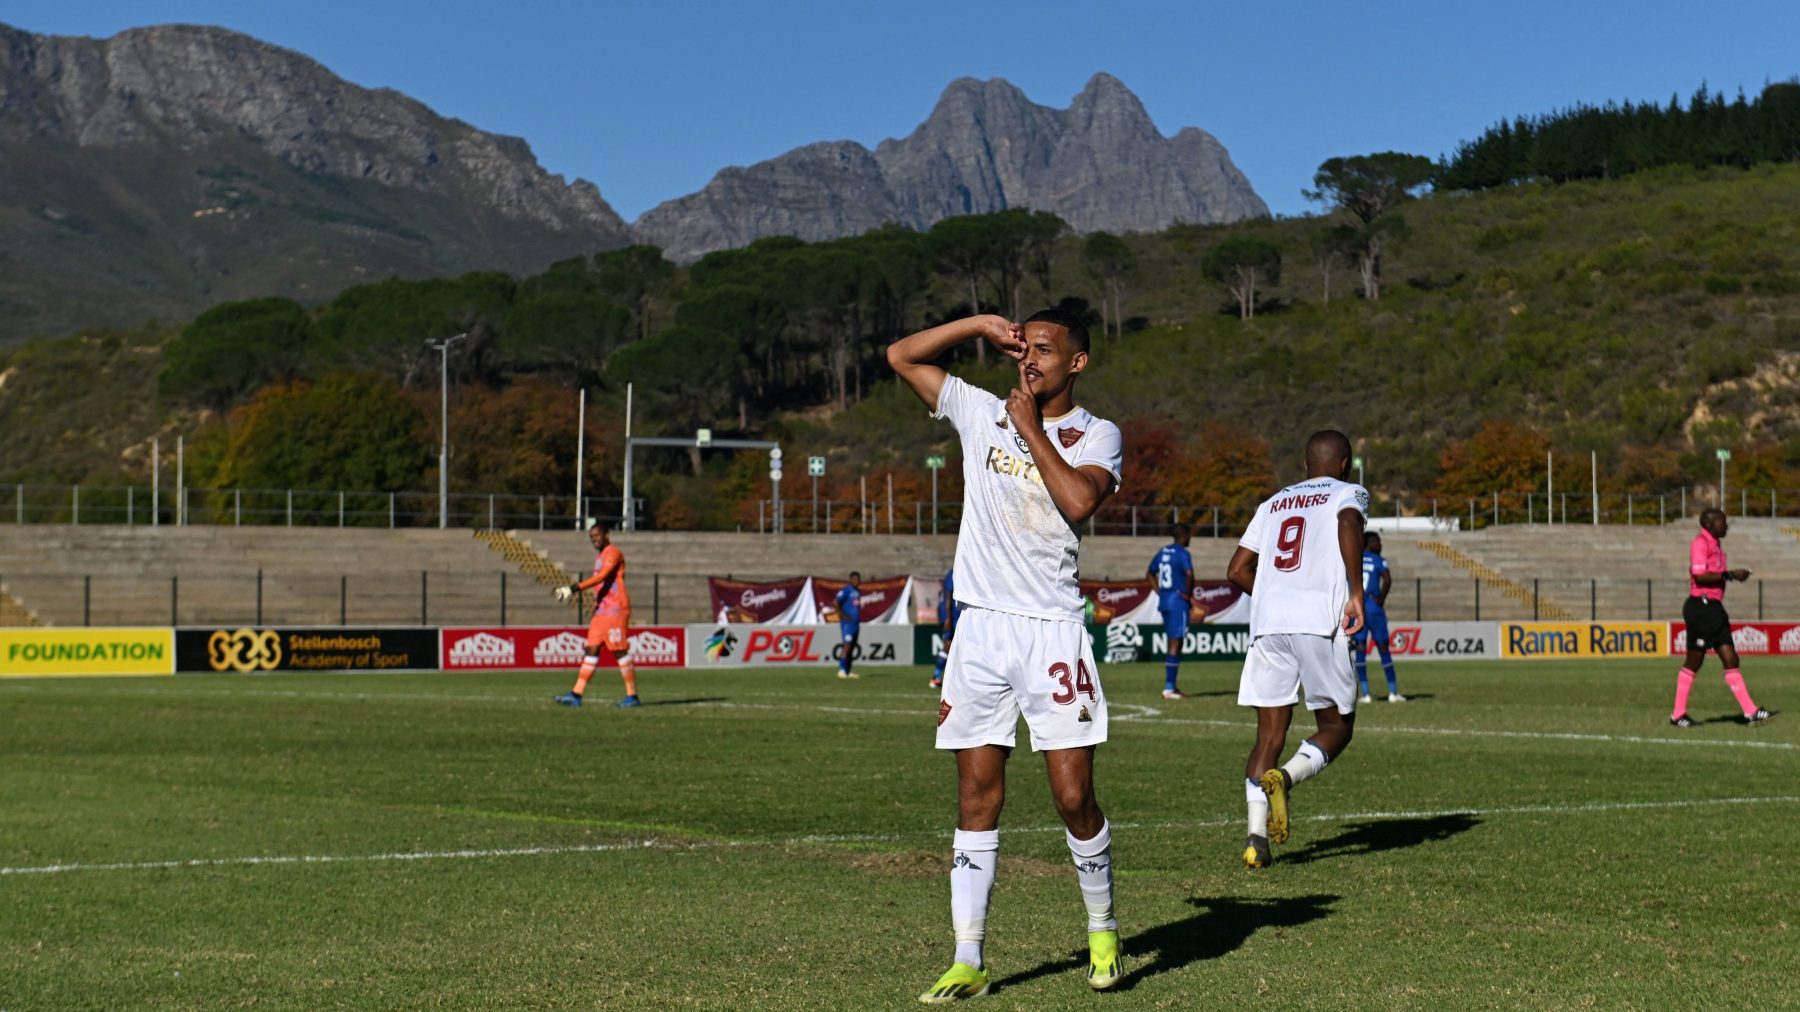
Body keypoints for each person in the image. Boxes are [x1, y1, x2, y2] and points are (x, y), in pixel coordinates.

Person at [889, 309, 1126, 1000]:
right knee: (975, 796)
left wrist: (1029, 429)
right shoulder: (978, 409)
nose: (1031, 361)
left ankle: (1103, 928)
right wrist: (975, 327)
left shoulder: (1097, 433)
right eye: (1025, 348)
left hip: (1051, 629)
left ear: (1076, 364)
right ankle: (969, 956)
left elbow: (1081, 501)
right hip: (982, 630)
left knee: (1073, 796)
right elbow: (901, 355)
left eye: (1046, 350)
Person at [1226, 430, 1369, 870]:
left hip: (1270, 625)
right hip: (1317, 620)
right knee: (1337, 726)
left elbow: (1236, 570)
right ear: (1344, 463)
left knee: (1268, 735)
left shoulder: (1272, 504)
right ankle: (1285, 778)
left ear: (1306, 464)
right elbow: (1348, 523)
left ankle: (1255, 838)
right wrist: (1356, 591)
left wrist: (1271, 593)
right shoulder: (1349, 492)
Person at [1670, 509, 1775, 727]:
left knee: (1731, 658)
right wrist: (1730, 574)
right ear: (1709, 524)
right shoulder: (1700, 543)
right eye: (1722, 522)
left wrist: (1732, 576)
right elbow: (1698, 574)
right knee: (1694, 660)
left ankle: (1751, 712)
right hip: (1702, 606)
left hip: (1714, 607)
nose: (1726, 526)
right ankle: (1678, 714)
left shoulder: (1716, 544)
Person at [552, 520, 638, 708]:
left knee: (619, 650)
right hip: (601, 611)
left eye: (597, 535)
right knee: (591, 650)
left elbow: (602, 577)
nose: (594, 539)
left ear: (606, 534)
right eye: (592, 537)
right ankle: (576, 694)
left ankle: (632, 696)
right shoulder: (600, 557)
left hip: (615, 609)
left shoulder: (613, 553)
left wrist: (573, 588)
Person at [1351, 531, 1404, 703]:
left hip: (1358, 609)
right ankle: (1393, 692)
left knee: (1360, 648)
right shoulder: (1378, 560)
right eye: (1378, 542)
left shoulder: (1355, 559)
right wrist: (1380, 598)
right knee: (1383, 649)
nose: (1380, 545)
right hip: (1374, 609)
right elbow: (1387, 580)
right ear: (1370, 543)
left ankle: (1365, 694)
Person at [1148, 523, 1196, 699]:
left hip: (1165, 601)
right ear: (1183, 536)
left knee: (1173, 642)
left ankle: (1171, 687)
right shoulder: (1183, 553)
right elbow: (1190, 574)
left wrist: (1160, 592)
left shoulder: (1163, 552)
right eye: (1189, 535)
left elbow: (1150, 573)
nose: (1190, 538)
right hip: (1178, 602)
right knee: (1176, 642)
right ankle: (1169, 688)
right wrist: (1187, 595)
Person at [931, 568, 960, 690]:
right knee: (948, 645)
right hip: (952, 616)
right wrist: (948, 618)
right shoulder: (953, 573)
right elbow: (948, 597)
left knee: (952, 647)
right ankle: (936, 676)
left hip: (954, 615)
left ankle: (941, 677)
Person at [835, 571, 863, 680]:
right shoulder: (846, 590)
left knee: (852, 647)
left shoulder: (858, 591)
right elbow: (836, 602)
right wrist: (842, 615)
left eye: (859, 579)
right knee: (846, 646)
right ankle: (841, 670)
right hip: (847, 624)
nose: (857, 581)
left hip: (855, 623)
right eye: (855, 579)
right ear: (851, 580)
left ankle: (848, 671)